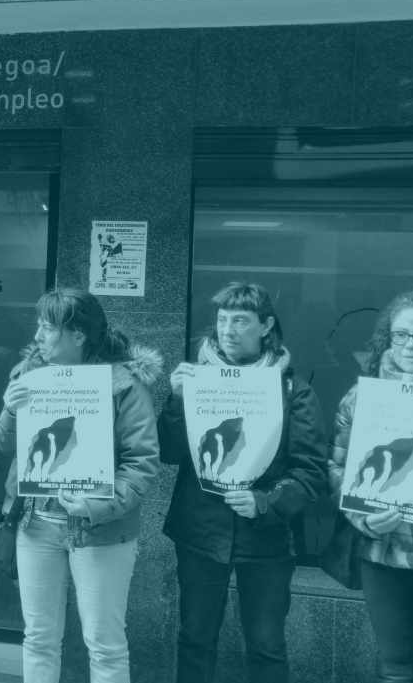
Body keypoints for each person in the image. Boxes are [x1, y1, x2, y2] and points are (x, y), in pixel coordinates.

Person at [0, 287, 161, 683]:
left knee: (104, 645)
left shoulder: (124, 386)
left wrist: (97, 505)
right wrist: (10, 410)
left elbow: (143, 462)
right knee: (38, 639)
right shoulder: (28, 377)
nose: (37, 336)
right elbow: (2, 446)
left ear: (78, 335)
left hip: (100, 530)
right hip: (36, 524)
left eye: (47, 327)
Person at [160, 283, 326, 683]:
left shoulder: (292, 389)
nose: (228, 330)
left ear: (266, 326)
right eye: (221, 320)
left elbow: (312, 469)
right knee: (195, 638)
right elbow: (168, 452)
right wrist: (176, 401)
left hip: (267, 536)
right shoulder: (197, 381)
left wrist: (268, 502)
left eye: (240, 321)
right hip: (199, 530)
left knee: (267, 645)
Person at [327, 289, 413, 683]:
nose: (411, 345)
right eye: (401, 334)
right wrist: (361, 516)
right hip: (383, 553)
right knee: (395, 669)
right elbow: (337, 466)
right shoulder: (362, 396)